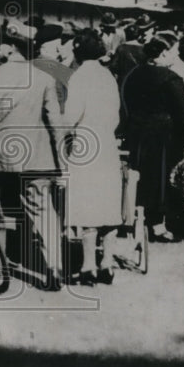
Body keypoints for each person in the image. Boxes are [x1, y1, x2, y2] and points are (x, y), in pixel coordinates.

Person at [0, 19, 65, 291]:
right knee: (43, 213)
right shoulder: (45, 77)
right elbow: (55, 124)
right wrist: (61, 164)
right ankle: (54, 269)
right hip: (37, 158)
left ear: (11, 48)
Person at [62, 28, 125, 284]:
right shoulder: (108, 76)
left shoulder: (78, 78)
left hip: (86, 145)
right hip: (107, 144)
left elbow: (70, 117)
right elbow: (116, 115)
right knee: (108, 204)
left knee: (87, 206)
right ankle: (107, 262)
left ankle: (88, 265)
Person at [121, 31, 184, 243]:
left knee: (139, 176)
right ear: (163, 53)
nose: (176, 56)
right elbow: (183, 112)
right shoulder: (171, 78)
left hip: (136, 133)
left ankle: (136, 219)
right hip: (163, 136)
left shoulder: (133, 74)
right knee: (161, 179)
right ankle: (158, 225)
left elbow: (125, 104)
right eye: (174, 52)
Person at [32, 23, 72, 109]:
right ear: (44, 49)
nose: (60, 51)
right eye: (57, 48)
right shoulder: (49, 70)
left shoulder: (36, 65)